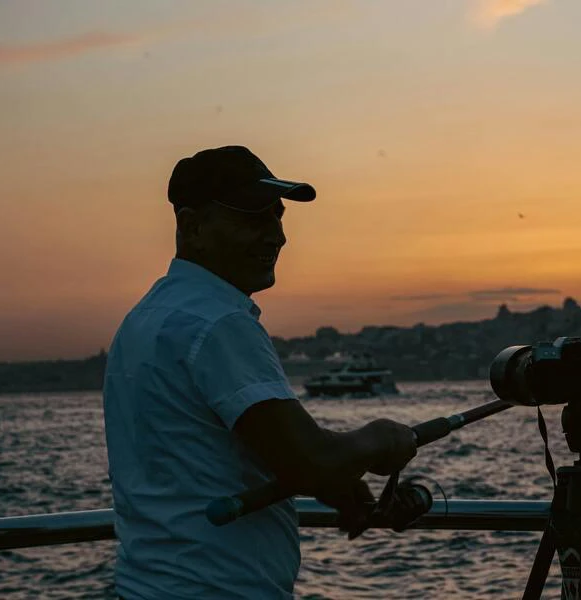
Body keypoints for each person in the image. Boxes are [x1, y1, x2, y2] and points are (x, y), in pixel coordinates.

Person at [103, 145, 417, 600]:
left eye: (277, 216)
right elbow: (311, 459)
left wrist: (342, 488)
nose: (277, 236)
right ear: (193, 226)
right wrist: (382, 439)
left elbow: (236, 451)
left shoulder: (147, 318)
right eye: (253, 219)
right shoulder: (217, 323)